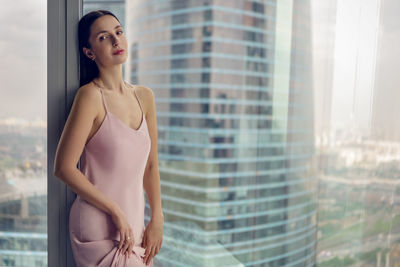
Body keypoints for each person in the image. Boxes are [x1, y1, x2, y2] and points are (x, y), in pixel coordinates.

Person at [53, 9, 163, 267]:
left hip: (133, 225)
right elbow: (63, 168)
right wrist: (115, 211)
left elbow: (151, 165)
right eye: (103, 37)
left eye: (118, 32)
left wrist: (157, 217)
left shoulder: (145, 97)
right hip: (99, 227)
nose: (116, 41)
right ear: (89, 52)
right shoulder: (90, 97)